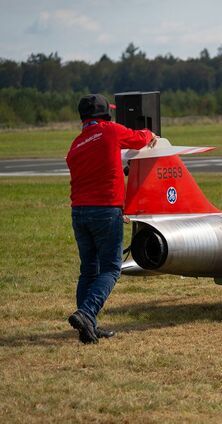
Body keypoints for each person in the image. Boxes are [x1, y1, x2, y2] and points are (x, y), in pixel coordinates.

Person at [66, 94, 156, 344]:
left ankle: (88, 328)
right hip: (105, 211)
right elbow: (141, 138)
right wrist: (151, 133)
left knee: (89, 270)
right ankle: (86, 313)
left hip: (79, 212)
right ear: (105, 114)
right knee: (111, 269)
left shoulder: (75, 145)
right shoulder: (110, 132)